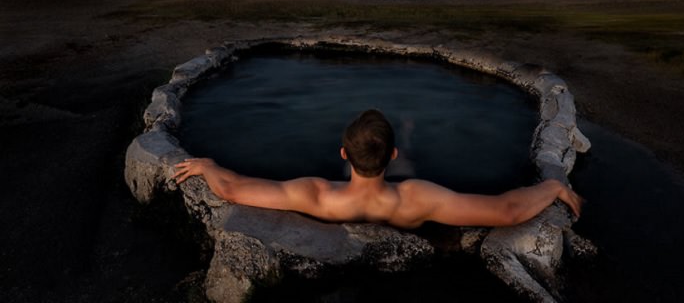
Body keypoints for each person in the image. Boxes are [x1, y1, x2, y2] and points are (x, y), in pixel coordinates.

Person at [173, 108, 583, 229]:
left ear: (342, 155)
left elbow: (234, 189)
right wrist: (552, 187)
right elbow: (505, 211)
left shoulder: (317, 195)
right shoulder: (417, 199)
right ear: (391, 156)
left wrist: (207, 165)